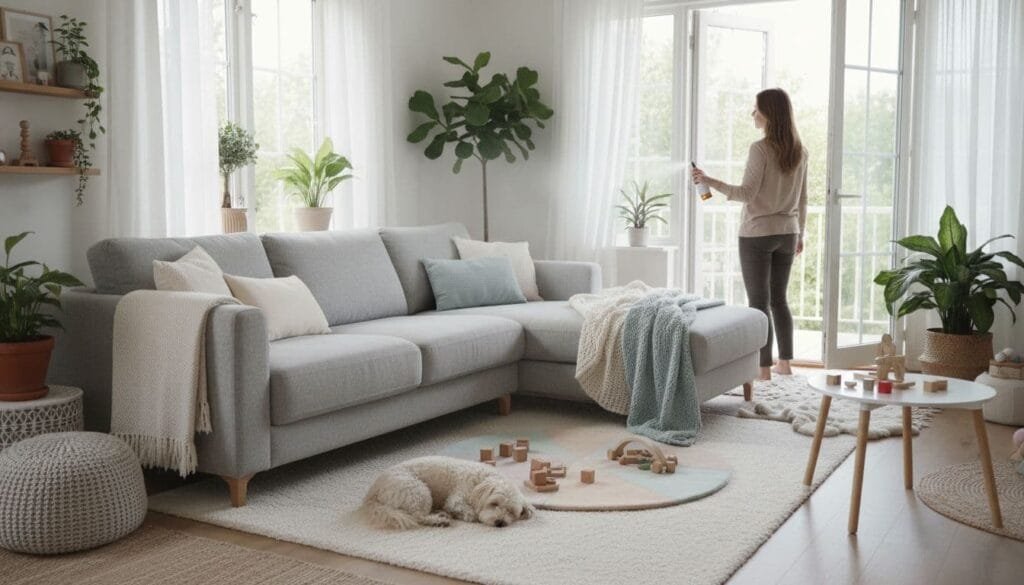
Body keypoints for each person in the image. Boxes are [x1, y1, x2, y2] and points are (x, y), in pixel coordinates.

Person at [692, 88, 808, 381]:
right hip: (788, 233)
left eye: (756, 109)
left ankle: (763, 369)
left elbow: (746, 193)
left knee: (758, 302)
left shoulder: (760, 149)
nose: (752, 114)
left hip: (758, 234)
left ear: (768, 114)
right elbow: (803, 198)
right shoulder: (800, 151)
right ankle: (785, 364)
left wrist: (708, 181)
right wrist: (801, 234)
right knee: (779, 299)